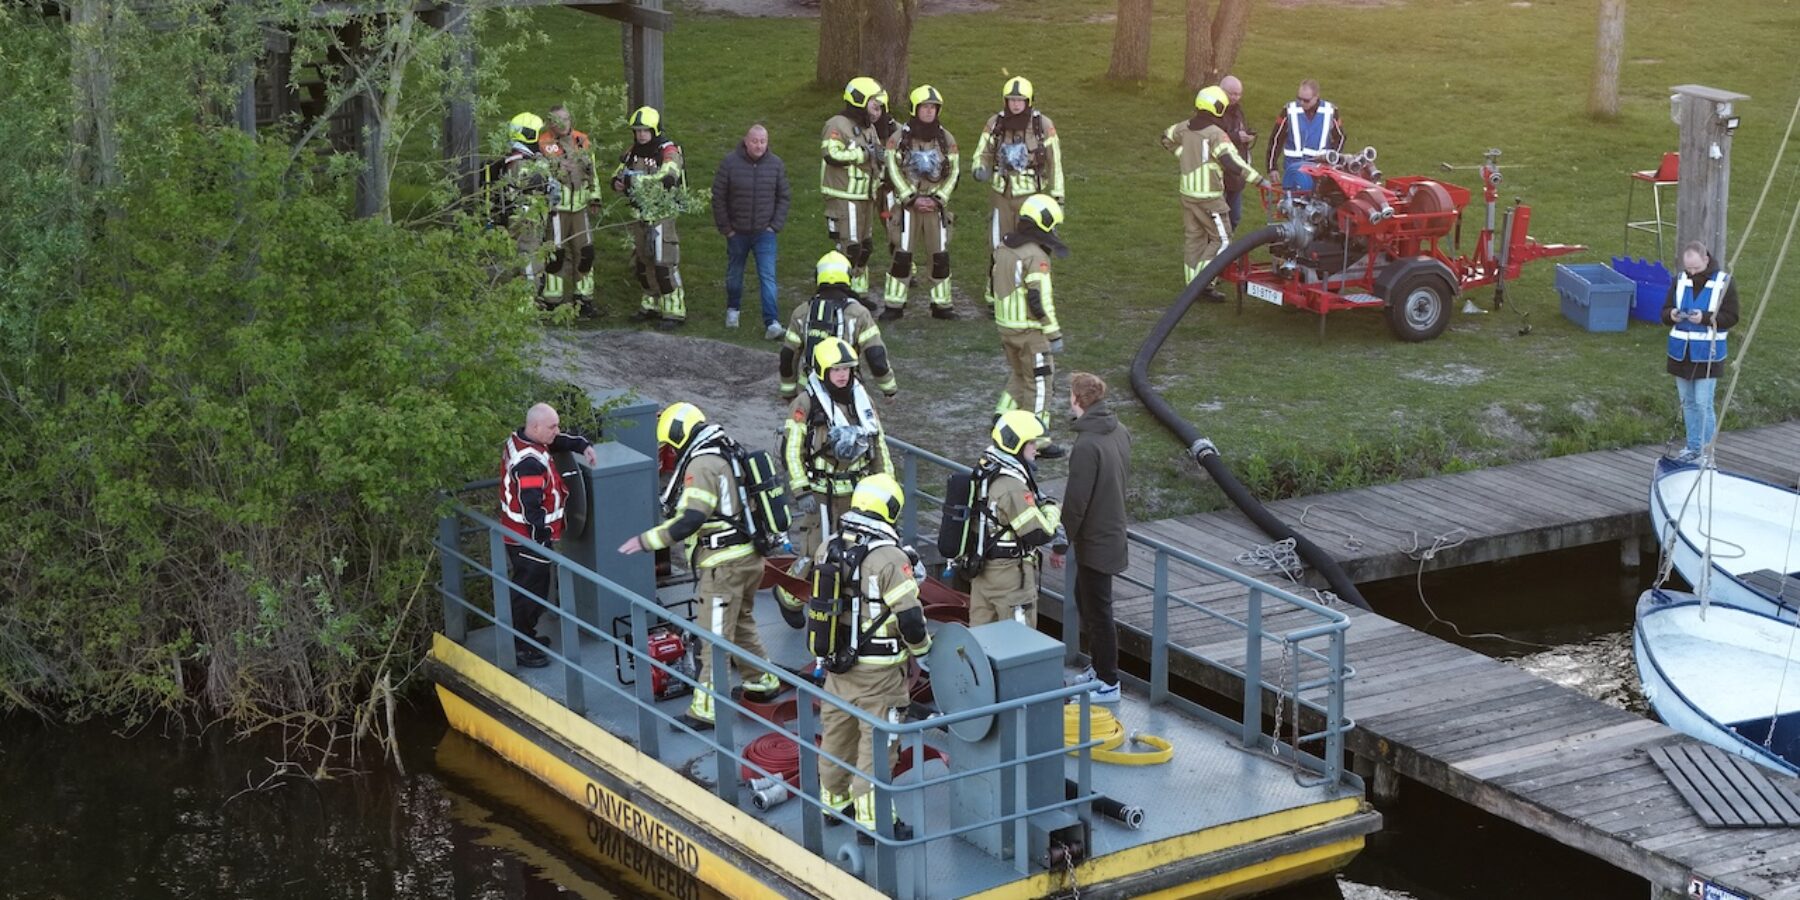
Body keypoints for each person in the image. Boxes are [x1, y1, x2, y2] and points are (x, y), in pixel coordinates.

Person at [618, 403, 780, 728]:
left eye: (672, 445)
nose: (673, 451)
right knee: (742, 622)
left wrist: (647, 541)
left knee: (714, 639)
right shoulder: (726, 448)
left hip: (725, 566)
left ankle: (706, 710)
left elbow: (691, 519)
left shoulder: (702, 464)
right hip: (749, 559)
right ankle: (762, 683)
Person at [815, 473, 932, 840]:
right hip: (880, 674)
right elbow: (911, 619)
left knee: (837, 733)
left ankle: (832, 803)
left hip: (838, 666)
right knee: (878, 746)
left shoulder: (828, 546)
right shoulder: (889, 557)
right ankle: (875, 821)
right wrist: (924, 652)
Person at [774, 338, 895, 624]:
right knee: (815, 551)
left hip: (857, 492)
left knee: (852, 551)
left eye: (847, 369)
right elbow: (792, 450)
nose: (842, 375)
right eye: (836, 369)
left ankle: (839, 608)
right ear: (821, 371)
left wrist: (887, 485)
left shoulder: (861, 399)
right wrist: (801, 490)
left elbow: (878, 444)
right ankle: (788, 595)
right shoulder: (806, 403)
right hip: (820, 494)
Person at [499, 403, 599, 668]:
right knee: (529, 592)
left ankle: (525, 637)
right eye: (552, 427)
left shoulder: (524, 440)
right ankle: (520, 645)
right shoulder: (529, 462)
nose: (557, 431)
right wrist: (542, 542)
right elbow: (532, 507)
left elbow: (556, 442)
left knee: (533, 590)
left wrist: (581, 445)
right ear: (535, 427)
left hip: (523, 537)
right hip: (528, 540)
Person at [1060, 373, 1131, 704]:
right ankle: (1099, 667)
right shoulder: (1118, 430)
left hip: (1096, 540)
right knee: (1086, 600)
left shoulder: (1086, 446)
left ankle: (1108, 680)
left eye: (1070, 395)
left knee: (1098, 611)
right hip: (1111, 529)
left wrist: (1062, 541)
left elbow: (1076, 502)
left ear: (1078, 400)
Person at [972, 77, 1064, 313]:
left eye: (1020, 100)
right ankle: (996, 296)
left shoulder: (1043, 125)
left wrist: (1057, 197)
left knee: (1032, 246)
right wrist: (979, 168)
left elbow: (1055, 163)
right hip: (1001, 195)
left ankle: (1031, 293)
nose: (1015, 105)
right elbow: (983, 151)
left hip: (1031, 198)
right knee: (998, 245)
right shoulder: (995, 123)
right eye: (1011, 100)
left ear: (1029, 101)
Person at [1161, 85, 1261, 296]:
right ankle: (1202, 281)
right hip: (1209, 197)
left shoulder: (1185, 127)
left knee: (1194, 238)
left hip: (1187, 194)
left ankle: (1193, 285)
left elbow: (1165, 137)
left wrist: (1184, 154)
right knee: (1222, 240)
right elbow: (1231, 161)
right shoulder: (1216, 134)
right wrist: (1258, 179)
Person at [967, 411, 1063, 628]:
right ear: (1016, 445)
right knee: (1020, 647)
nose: (1036, 449)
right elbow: (1039, 533)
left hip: (984, 573)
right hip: (1010, 578)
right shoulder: (1012, 487)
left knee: (982, 644)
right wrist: (1052, 509)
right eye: (1031, 444)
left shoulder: (987, 468)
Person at [991, 194, 1069, 457]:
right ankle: (1037, 440)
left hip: (1005, 327)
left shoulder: (1004, 247)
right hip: (1029, 331)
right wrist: (1053, 332)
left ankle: (1003, 416)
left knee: (1019, 375)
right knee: (1040, 384)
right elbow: (1039, 299)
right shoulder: (1035, 256)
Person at [880, 84, 961, 321]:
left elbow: (954, 172)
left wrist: (938, 198)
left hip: (936, 208)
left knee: (940, 256)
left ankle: (942, 305)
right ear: (915, 109)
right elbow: (892, 170)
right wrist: (910, 197)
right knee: (902, 255)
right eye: (924, 107)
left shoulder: (946, 139)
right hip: (907, 208)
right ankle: (894, 305)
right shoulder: (899, 138)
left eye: (933, 108)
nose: (928, 112)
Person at [779, 251, 898, 400]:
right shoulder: (859, 313)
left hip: (809, 390)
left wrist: (788, 392)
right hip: (847, 388)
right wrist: (889, 389)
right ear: (847, 276)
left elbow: (788, 356)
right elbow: (876, 355)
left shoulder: (802, 312)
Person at [711, 123, 792, 339]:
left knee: (768, 276)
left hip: (765, 233)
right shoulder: (729, 163)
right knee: (735, 273)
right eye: (755, 141)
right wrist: (726, 228)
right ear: (746, 141)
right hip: (737, 231)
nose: (758, 145)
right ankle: (733, 310)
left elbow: (784, 197)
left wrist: (774, 226)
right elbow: (718, 197)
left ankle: (772, 323)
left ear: (767, 143)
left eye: (762, 141)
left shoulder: (776, 165)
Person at [1661, 241, 1740, 463]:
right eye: (1688, 268)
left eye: (1696, 267)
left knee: (1703, 403)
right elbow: (1664, 312)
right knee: (1688, 402)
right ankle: (1693, 447)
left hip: (1708, 353)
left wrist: (1705, 318)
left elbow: (1732, 317)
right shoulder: (1679, 280)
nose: (1691, 272)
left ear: (1706, 260)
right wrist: (1673, 315)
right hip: (1680, 353)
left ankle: (1707, 452)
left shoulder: (1724, 282)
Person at [612, 106, 688, 330]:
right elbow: (618, 174)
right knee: (643, 262)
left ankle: (674, 310)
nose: (641, 134)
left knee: (664, 262)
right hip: (640, 215)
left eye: (645, 130)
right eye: (637, 131)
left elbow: (668, 177)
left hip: (661, 215)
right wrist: (617, 182)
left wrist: (633, 181)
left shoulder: (669, 150)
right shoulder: (633, 151)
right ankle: (650, 304)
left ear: (655, 130)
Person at [821, 77, 890, 297]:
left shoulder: (869, 128)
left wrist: (883, 161)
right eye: (874, 105)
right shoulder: (836, 124)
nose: (877, 111)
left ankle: (858, 295)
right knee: (849, 248)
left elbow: (877, 155)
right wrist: (861, 154)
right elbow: (831, 154)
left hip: (865, 196)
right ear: (859, 101)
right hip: (843, 196)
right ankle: (841, 293)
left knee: (865, 247)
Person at [484, 113, 556, 297]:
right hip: (526, 221)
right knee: (530, 261)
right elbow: (540, 183)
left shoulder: (513, 159)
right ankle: (526, 305)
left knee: (523, 261)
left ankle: (522, 303)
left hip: (525, 219)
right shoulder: (522, 163)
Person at [540, 104, 600, 317]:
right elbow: (543, 173)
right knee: (555, 254)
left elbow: (592, 170)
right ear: (550, 123)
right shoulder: (544, 143)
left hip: (580, 207)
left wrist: (595, 196)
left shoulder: (582, 140)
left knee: (585, 253)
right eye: (557, 120)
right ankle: (552, 300)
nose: (562, 123)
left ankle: (583, 299)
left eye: (565, 119)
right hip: (556, 209)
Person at [1265, 79, 1344, 195]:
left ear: (1316, 97)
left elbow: (1340, 138)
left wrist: (1332, 159)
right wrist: (1272, 167)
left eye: (1306, 100)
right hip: (1293, 171)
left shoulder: (1330, 111)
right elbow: (1276, 139)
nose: (1301, 103)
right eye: (1299, 98)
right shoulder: (1289, 110)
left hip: (1319, 171)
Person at [1218, 75, 1257, 230]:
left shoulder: (1238, 111)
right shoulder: (1214, 111)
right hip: (1220, 173)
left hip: (1237, 173)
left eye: (1238, 94)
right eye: (1232, 93)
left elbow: (1238, 130)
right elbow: (1212, 137)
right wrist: (1235, 137)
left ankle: (1226, 248)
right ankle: (1215, 250)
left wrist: (1246, 136)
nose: (1235, 97)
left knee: (1235, 217)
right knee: (1218, 219)